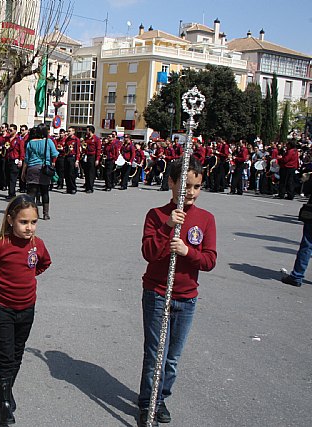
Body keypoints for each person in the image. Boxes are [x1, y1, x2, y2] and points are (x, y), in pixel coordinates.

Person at [137, 156, 217, 426]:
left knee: (172, 358)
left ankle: (161, 399)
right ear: (171, 183)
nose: (191, 193)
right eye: (185, 187)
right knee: (155, 354)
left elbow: (209, 260)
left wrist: (187, 252)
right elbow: (149, 253)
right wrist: (167, 226)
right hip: (158, 293)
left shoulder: (206, 219)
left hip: (186, 298)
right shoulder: (156, 215)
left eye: (196, 187)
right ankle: (147, 403)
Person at [0, 195, 52, 426]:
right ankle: (4, 403)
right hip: (3, 307)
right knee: (5, 354)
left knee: (17, 351)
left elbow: (45, 263)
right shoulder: (0, 244)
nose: (29, 227)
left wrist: (30, 277)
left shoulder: (38, 245)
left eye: (34, 222)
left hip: (28, 306)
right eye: (24, 222)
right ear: (10, 220)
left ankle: (8, 388)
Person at [22, 124, 58, 220]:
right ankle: (45, 214)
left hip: (32, 168)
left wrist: (23, 172)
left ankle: (31, 213)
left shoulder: (30, 143)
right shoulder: (48, 141)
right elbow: (55, 154)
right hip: (44, 168)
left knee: (31, 192)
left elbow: (26, 159)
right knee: (45, 192)